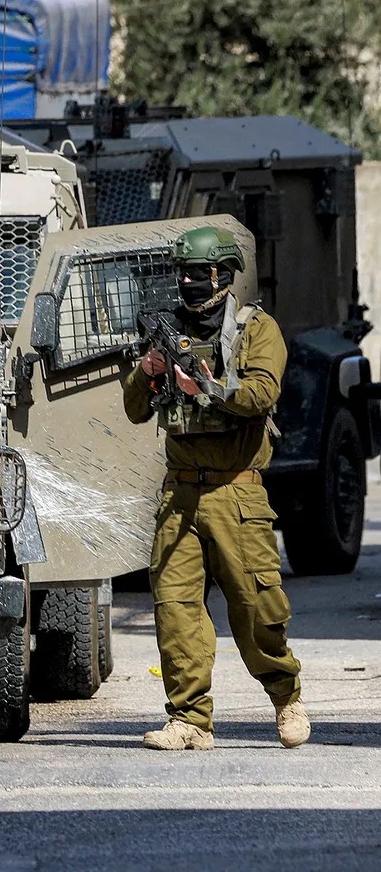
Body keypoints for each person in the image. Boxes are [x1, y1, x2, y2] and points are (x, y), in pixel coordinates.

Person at [123, 225, 307, 751]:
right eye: (182, 273)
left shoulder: (257, 330)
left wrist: (206, 386)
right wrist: (149, 371)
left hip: (236, 492)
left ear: (223, 274)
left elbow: (260, 394)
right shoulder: (168, 330)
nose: (188, 283)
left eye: (198, 273)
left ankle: (286, 695)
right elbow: (135, 409)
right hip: (179, 496)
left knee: (256, 608)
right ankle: (190, 719)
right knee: (176, 608)